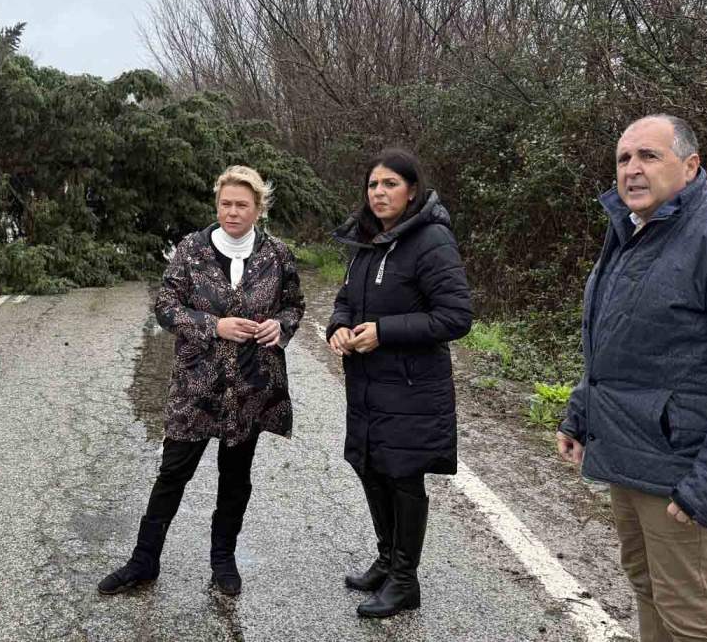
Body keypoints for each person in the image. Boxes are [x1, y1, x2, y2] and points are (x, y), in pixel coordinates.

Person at [557, 115, 707, 642]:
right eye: (623, 159)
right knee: (647, 587)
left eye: (649, 156)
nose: (632, 170)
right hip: (627, 453)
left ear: (690, 166)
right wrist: (580, 413)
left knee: (692, 620)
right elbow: (616, 342)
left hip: (680, 474)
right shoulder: (631, 230)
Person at [98, 165, 305, 597]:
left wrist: (279, 328)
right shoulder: (191, 249)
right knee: (172, 473)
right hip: (197, 385)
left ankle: (223, 561)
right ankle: (144, 560)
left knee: (235, 478)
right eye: (225, 204)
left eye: (241, 205)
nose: (232, 212)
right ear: (217, 204)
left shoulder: (278, 255)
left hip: (251, 385)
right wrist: (214, 326)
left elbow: (294, 306)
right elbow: (166, 307)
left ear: (258, 208)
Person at [326, 148, 472, 618]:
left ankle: (405, 582)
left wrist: (384, 332)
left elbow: (455, 316)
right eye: (373, 185)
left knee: (403, 478)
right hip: (367, 382)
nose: (379, 193)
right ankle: (387, 562)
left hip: (411, 388)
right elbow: (346, 298)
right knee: (372, 469)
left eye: (390, 184)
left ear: (411, 191)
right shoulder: (367, 241)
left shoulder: (431, 241)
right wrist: (338, 328)